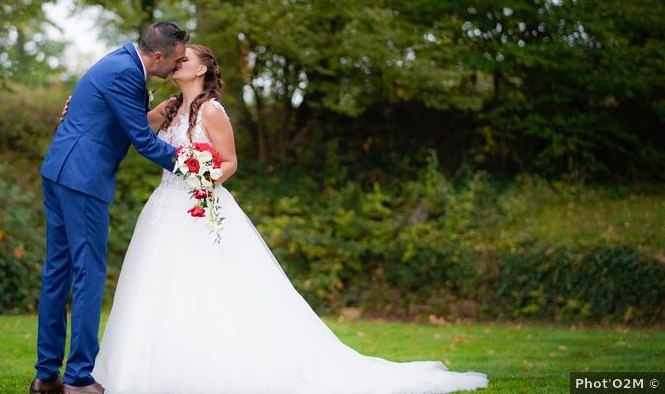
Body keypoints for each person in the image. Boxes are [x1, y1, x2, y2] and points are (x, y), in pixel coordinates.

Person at [92, 44, 489, 394]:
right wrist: (89, 109)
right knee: (156, 285)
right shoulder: (170, 107)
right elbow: (131, 127)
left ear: (201, 70)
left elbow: (230, 162)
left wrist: (204, 178)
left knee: (208, 288)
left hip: (201, 206)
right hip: (164, 208)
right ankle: (152, 368)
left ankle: (212, 367)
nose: (177, 62)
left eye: (185, 59)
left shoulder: (212, 111)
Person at [31, 22, 189, 394]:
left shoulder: (120, 63)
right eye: (176, 59)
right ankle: (78, 378)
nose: (177, 67)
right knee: (89, 272)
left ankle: (46, 374)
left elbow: (111, 121)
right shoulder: (124, 74)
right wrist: (195, 165)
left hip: (60, 171)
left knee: (57, 270)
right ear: (156, 56)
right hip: (82, 179)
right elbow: (144, 143)